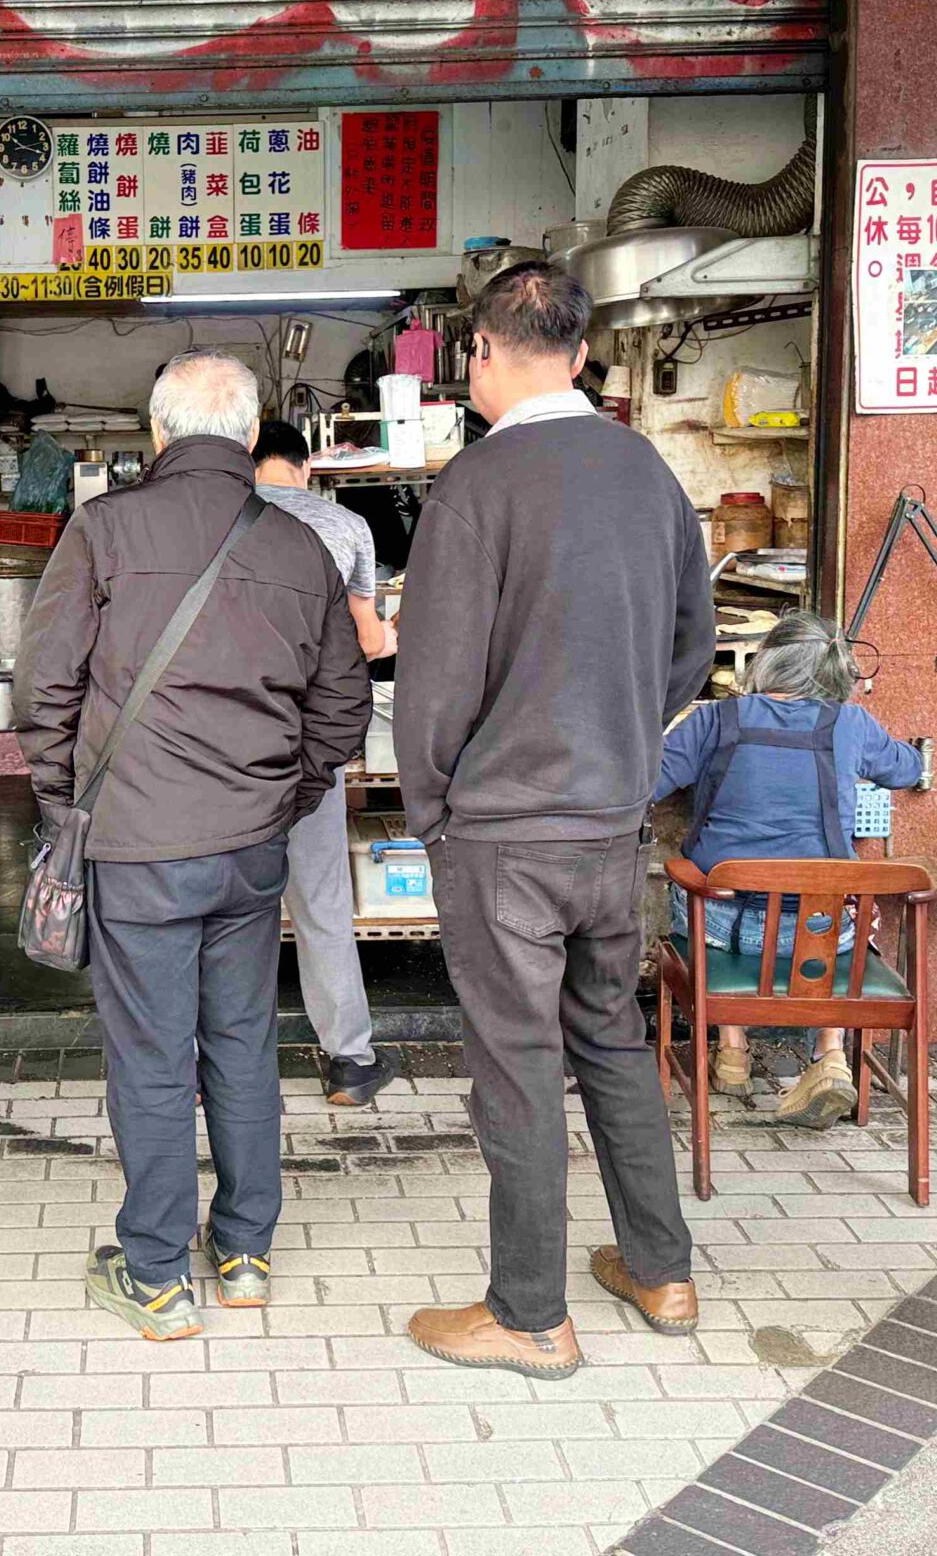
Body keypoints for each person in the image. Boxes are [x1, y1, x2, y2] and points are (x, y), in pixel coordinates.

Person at [394, 258, 714, 1380]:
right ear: (580, 355)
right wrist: (622, 745)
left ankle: (529, 1312)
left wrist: (434, 806)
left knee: (518, 1063)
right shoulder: (649, 476)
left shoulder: (474, 488)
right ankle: (660, 1271)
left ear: (479, 355)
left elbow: (430, 682)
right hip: (609, 824)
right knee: (611, 1039)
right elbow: (688, 649)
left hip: (504, 832)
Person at [21, 351, 370, 1339]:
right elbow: (341, 709)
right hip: (251, 847)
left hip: (135, 846)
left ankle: (157, 1274)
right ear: (254, 438)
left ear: (158, 435)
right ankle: (247, 1253)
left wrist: (68, 808)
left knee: (151, 1053)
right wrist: (283, 797)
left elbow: (42, 687)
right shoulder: (303, 552)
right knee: (242, 1041)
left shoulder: (103, 530)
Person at [655, 611, 924, 1127]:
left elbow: (648, 783)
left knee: (689, 877)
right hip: (822, 938)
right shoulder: (852, 724)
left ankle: (732, 1053)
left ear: (768, 661)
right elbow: (906, 769)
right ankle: (830, 1056)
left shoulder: (716, 720)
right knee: (849, 908)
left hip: (723, 931)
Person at [250, 418, 401, 1108]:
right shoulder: (343, 527)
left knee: (221, 909)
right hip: (312, 742)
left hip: (217, 745)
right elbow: (368, 644)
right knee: (320, 901)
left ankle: (204, 1069)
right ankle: (348, 1063)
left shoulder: (216, 518)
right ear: (305, 467)